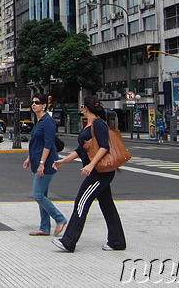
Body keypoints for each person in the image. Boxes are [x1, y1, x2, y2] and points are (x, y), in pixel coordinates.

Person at [52, 96, 125, 252]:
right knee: (107, 206)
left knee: (81, 201)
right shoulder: (91, 125)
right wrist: (63, 161)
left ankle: (69, 241)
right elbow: (81, 149)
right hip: (100, 172)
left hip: (99, 172)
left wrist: (91, 165)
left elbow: (104, 146)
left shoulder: (98, 123)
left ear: (85, 108)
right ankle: (117, 241)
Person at [23, 94, 66, 237]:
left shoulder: (48, 121)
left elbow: (48, 144)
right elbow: (36, 143)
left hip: (47, 163)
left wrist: (42, 164)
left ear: (44, 105)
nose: (34, 104)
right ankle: (44, 227)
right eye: (32, 102)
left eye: (37, 102)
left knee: (38, 195)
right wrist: (29, 158)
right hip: (36, 161)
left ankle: (60, 219)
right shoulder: (39, 121)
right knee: (43, 194)